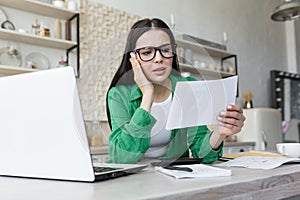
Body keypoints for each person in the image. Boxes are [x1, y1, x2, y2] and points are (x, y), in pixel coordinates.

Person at [106, 18, 245, 164]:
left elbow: (202, 155)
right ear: (133, 58)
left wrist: (219, 132)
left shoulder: (188, 88)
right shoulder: (118, 94)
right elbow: (121, 158)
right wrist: (147, 96)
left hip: (174, 179)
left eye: (166, 50)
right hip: (134, 182)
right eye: (147, 52)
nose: (159, 59)